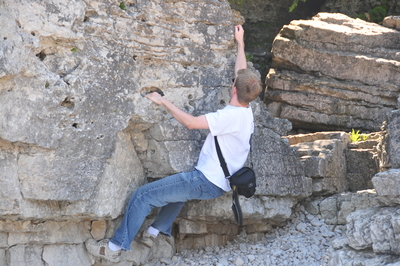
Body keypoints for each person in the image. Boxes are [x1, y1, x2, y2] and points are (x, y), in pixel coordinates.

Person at [85, 25, 262, 262]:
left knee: (142, 196)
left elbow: (190, 123)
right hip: (220, 181)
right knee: (178, 191)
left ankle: (115, 248)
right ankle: (153, 232)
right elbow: (241, 72)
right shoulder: (247, 109)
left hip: (207, 180)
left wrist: (163, 101)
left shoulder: (228, 117)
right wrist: (240, 43)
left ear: (233, 89)